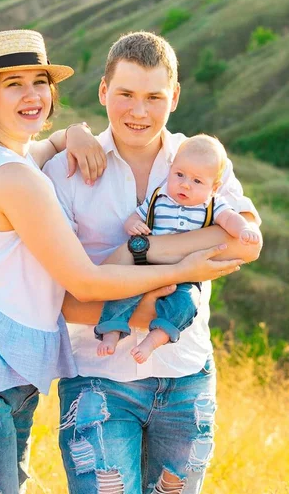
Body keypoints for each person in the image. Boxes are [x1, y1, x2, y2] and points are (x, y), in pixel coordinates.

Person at [0, 30, 240, 494]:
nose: (32, 94)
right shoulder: (16, 177)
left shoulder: (21, 161)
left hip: (1, 376)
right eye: (12, 84)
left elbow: (43, 147)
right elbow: (82, 280)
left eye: (39, 81)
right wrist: (183, 271)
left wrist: (70, 133)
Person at [44, 31, 262, 494]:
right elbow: (64, 299)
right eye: (125, 94)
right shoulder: (67, 172)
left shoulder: (202, 158)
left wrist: (138, 252)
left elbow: (245, 244)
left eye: (154, 97)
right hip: (98, 382)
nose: (138, 111)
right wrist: (185, 258)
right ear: (103, 92)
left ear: (175, 97)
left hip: (186, 378)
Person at [95, 133, 261, 363]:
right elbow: (135, 216)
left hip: (188, 275)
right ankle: (111, 333)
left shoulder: (213, 205)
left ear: (214, 187)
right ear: (171, 170)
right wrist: (134, 224)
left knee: (188, 303)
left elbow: (231, 220)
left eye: (197, 181)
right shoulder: (159, 198)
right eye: (179, 174)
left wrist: (244, 230)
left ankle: (155, 339)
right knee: (122, 293)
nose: (185, 184)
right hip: (147, 268)